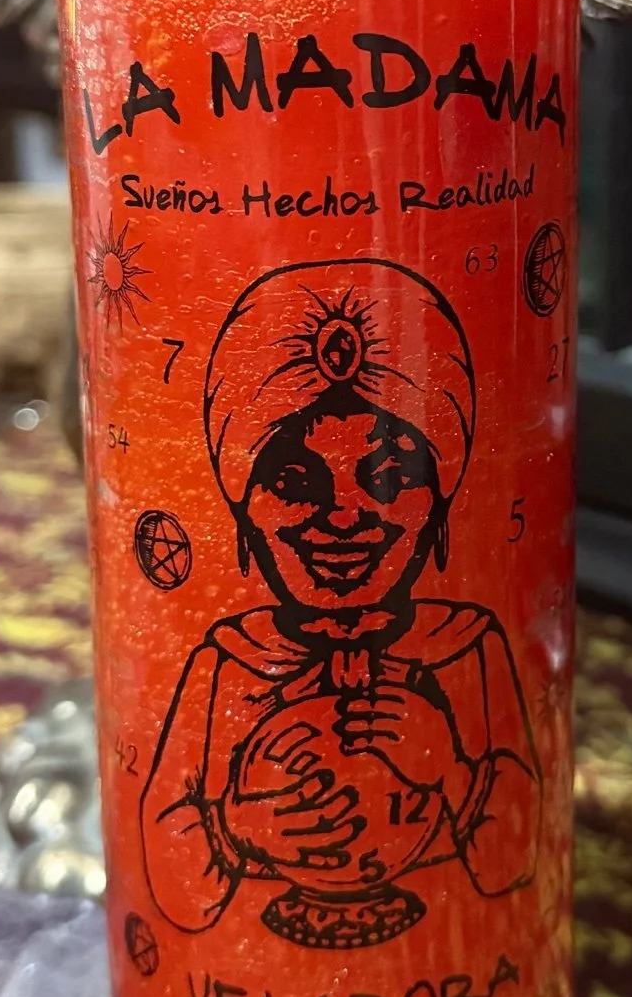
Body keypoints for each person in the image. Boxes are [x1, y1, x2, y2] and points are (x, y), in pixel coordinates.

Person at [140, 259, 540, 949]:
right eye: (295, 482)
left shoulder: (464, 647)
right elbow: (170, 880)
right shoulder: (230, 661)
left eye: (388, 476)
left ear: (439, 505)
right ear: (244, 514)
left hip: (462, 964)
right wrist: (238, 828)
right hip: (227, 992)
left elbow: (515, 862)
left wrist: (450, 773)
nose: (345, 516)